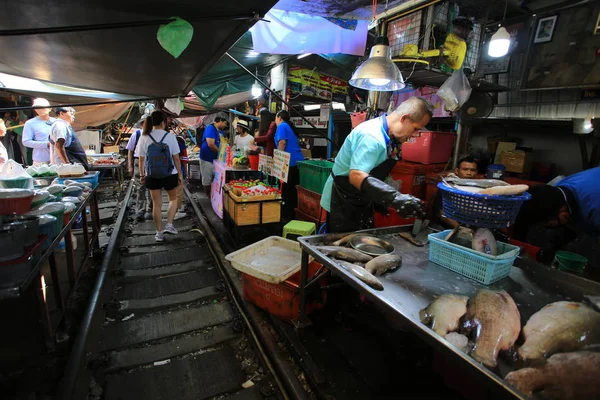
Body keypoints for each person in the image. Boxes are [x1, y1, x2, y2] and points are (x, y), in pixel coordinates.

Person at [320, 97, 433, 233]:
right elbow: (356, 175)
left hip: (359, 195)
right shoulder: (372, 137)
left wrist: (379, 198)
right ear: (404, 118)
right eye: (415, 129)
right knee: (341, 246)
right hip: (342, 197)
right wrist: (394, 197)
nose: (414, 135)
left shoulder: (388, 136)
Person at [513, 167, 600, 241]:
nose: (550, 226)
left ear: (563, 215)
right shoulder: (557, 189)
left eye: (549, 225)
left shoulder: (595, 209)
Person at [137, 111, 183, 242]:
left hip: (151, 175)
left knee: (157, 204)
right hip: (170, 174)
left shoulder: (144, 137)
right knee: (173, 199)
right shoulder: (170, 137)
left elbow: (141, 159)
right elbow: (176, 159)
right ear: (163, 122)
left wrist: (141, 174)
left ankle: (158, 233)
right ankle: (169, 224)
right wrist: (179, 174)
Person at [274, 110, 304, 222]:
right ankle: (292, 217)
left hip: (289, 163)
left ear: (280, 118)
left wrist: (278, 161)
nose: (275, 121)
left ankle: (286, 218)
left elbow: (282, 143)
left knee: (287, 192)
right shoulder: (288, 127)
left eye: (275, 118)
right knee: (292, 192)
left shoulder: (282, 126)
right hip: (296, 162)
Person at [432, 156, 478, 229]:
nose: (469, 173)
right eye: (465, 169)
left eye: (473, 170)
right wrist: (460, 229)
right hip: (446, 227)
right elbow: (442, 214)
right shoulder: (448, 187)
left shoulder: (476, 190)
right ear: (457, 171)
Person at [126, 124, 152, 221]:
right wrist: (130, 165)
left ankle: (151, 208)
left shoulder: (154, 134)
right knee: (140, 187)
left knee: (152, 186)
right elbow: (130, 151)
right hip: (138, 160)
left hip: (151, 161)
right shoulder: (136, 134)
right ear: (141, 124)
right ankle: (141, 210)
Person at [199, 116, 228, 196]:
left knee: (216, 180)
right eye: (225, 123)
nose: (225, 126)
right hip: (207, 159)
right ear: (220, 121)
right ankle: (208, 196)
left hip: (216, 160)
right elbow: (211, 144)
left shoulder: (220, 132)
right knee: (207, 180)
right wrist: (222, 154)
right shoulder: (210, 128)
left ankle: (214, 198)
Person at [23, 98, 55, 166]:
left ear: (50, 108)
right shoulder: (30, 123)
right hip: (41, 160)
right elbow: (26, 141)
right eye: (37, 108)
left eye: (43, 107)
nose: (40, 110)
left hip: (57, 158)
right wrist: (47, 144)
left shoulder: (56, 122)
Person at [175, 132, 188, 218]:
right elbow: (184, 159)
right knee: (179, 190)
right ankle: (177, 211)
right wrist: (186, 171)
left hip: (168, 169)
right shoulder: (181, 145)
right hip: (178, 168)